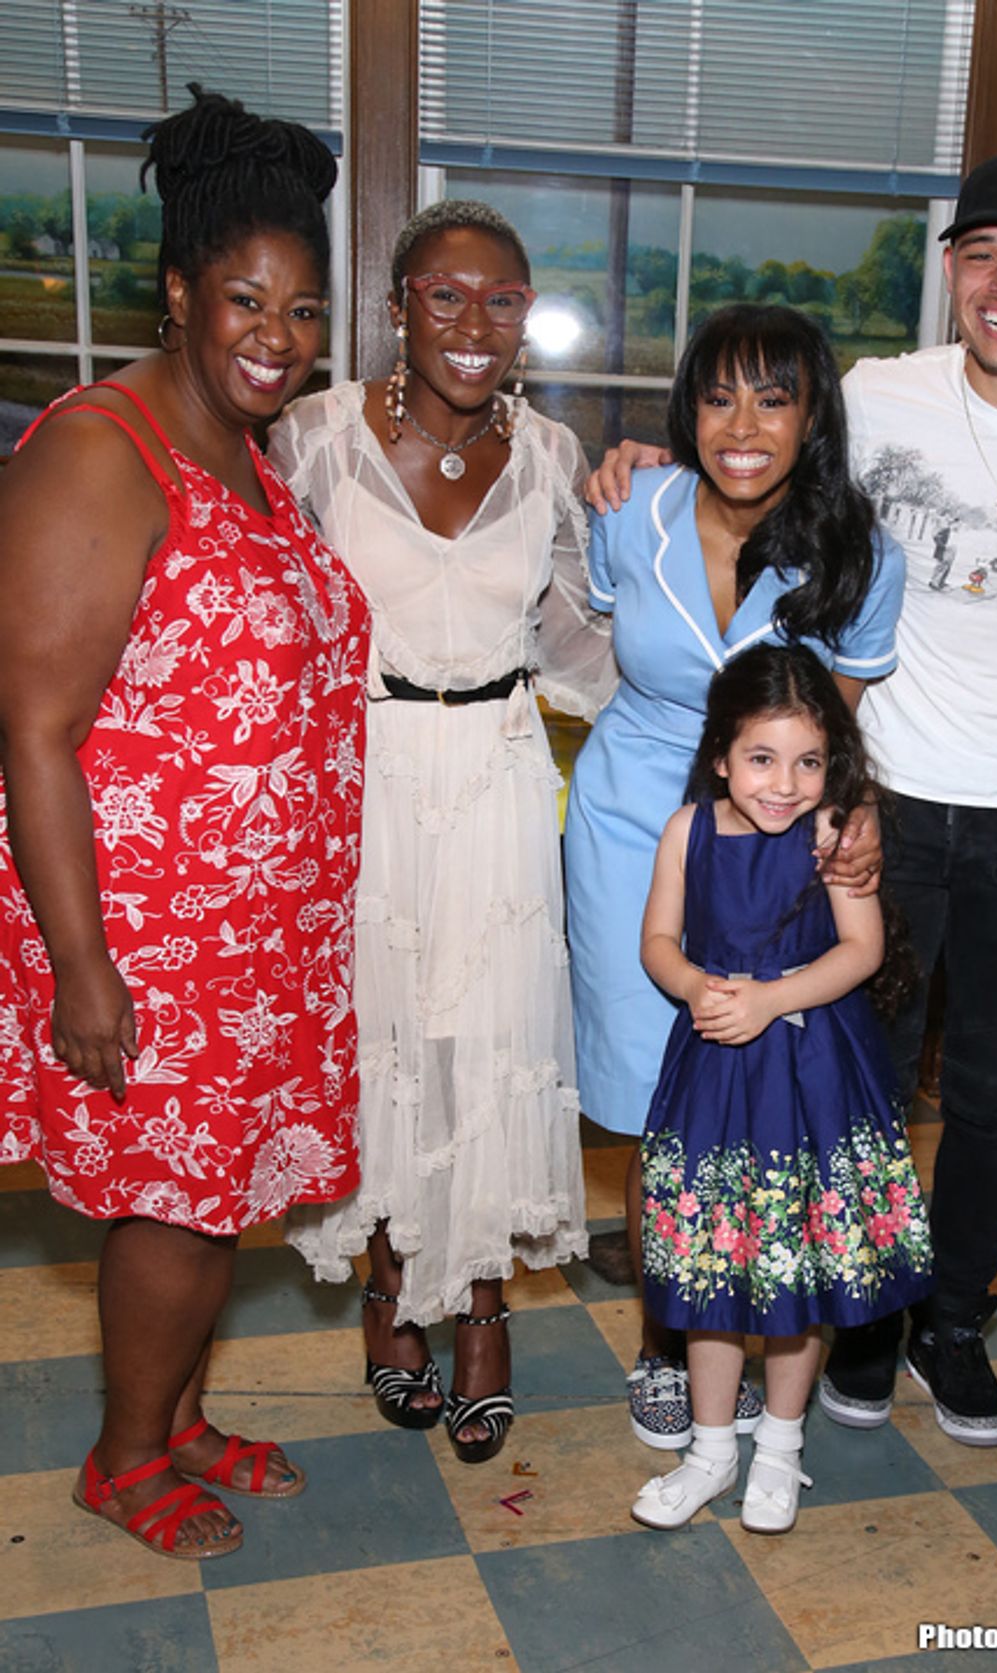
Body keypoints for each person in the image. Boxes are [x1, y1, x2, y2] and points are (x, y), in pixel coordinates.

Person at [587, 149, 997, 1448]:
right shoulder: (878, 394)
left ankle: (949, 1321)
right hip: (878, 802)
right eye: (982, 256)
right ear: (950, 269)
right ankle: (856, 1318)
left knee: (990, 1088)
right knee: (854, 1079)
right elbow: (757, 457)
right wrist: (645, 459)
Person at [0, 89, 367, 1560]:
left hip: (255, 933)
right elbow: (33, 726)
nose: (278, 333)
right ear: (177, 293)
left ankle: (182, 1414)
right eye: (245, 299)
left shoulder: (242, 450)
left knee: (216, 1201)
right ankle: (125, 1458)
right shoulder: (103, 449)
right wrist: (83, 965)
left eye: (303, 308)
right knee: (169, 1206)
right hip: (146, 936)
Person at [272, 201, 613, 1462]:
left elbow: (582, 638)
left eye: (502, 299)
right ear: (397, 306)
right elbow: (262, 611)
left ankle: (478, 1304)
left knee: (485, 1043)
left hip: (499, 776)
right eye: (445, 294)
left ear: (525, 317)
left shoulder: (552, 452)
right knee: (377, 1043)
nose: (475, 322)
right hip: (361, 781)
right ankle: (386, 1286)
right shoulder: (314, 437)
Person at [565, 303, 903, 1449]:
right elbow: (585, 629)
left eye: (772, 398)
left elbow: (833, 736)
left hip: (774, 844)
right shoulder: (629, 509)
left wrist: (846, 823)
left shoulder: (859, 551)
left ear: (813, 416)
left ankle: (765, 1328)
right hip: (630, 823)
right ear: (685, 411)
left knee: (767, 1096)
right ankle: (666, 1341)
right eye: (717, 397)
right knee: (652, 1099)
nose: (742, 426)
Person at [630, 644, 932, 1533]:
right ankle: (711, 1449)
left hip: (813, 1071)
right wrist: (695, 986)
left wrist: (770, 999)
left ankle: (781, 1445)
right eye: (762, 758)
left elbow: (862, 950)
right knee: (713, 1263)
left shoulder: (834, 831)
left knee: (798, 1263)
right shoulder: (687, 831)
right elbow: (658, 941)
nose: (785, 783)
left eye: (808, 762)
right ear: (722, 754)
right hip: (717, 1069)